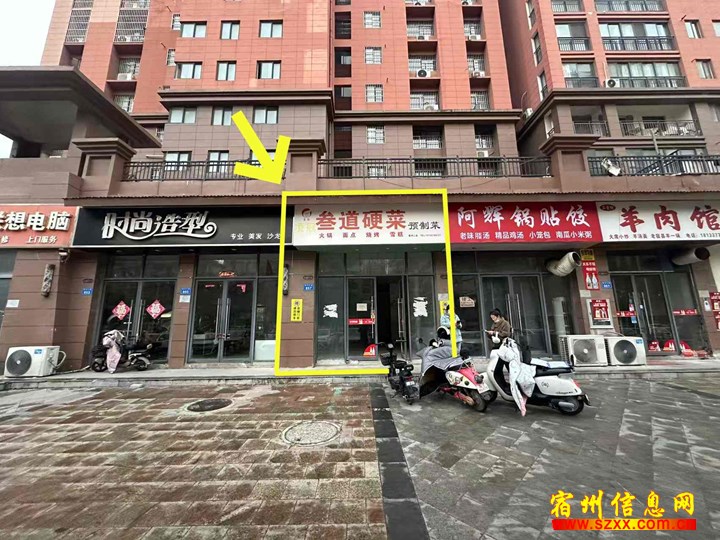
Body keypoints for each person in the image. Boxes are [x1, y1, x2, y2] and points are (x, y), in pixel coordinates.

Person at [486, 309, 512, 392]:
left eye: (493, 317)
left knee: (508, 367)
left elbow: (506, 333)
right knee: (497, 369)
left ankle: (512, 385)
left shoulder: (505, 323)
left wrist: (494, 333)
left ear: (498, 316)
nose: (492, 319)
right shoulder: (494, 324)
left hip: (504, 348)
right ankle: (503, 385)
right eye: (491, 317)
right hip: (496, 347)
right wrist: (490, 334)